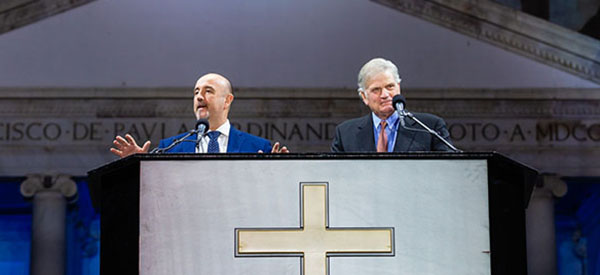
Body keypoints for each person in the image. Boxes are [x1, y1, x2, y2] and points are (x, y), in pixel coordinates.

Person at [110, 73, 288, 157]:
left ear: (227, 100)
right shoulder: (170, 148)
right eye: (196, 92)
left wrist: (278, 170)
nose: (199, 97)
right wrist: (137, 164)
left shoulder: (259, 147)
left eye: (208, 91)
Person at [331, 58, 453, 153]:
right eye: (376, 90)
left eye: (390, 87)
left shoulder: (430, 127)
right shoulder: (346, 133)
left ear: (398, 87)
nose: (385, 95)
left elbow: (449, 170)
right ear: (364, 96)